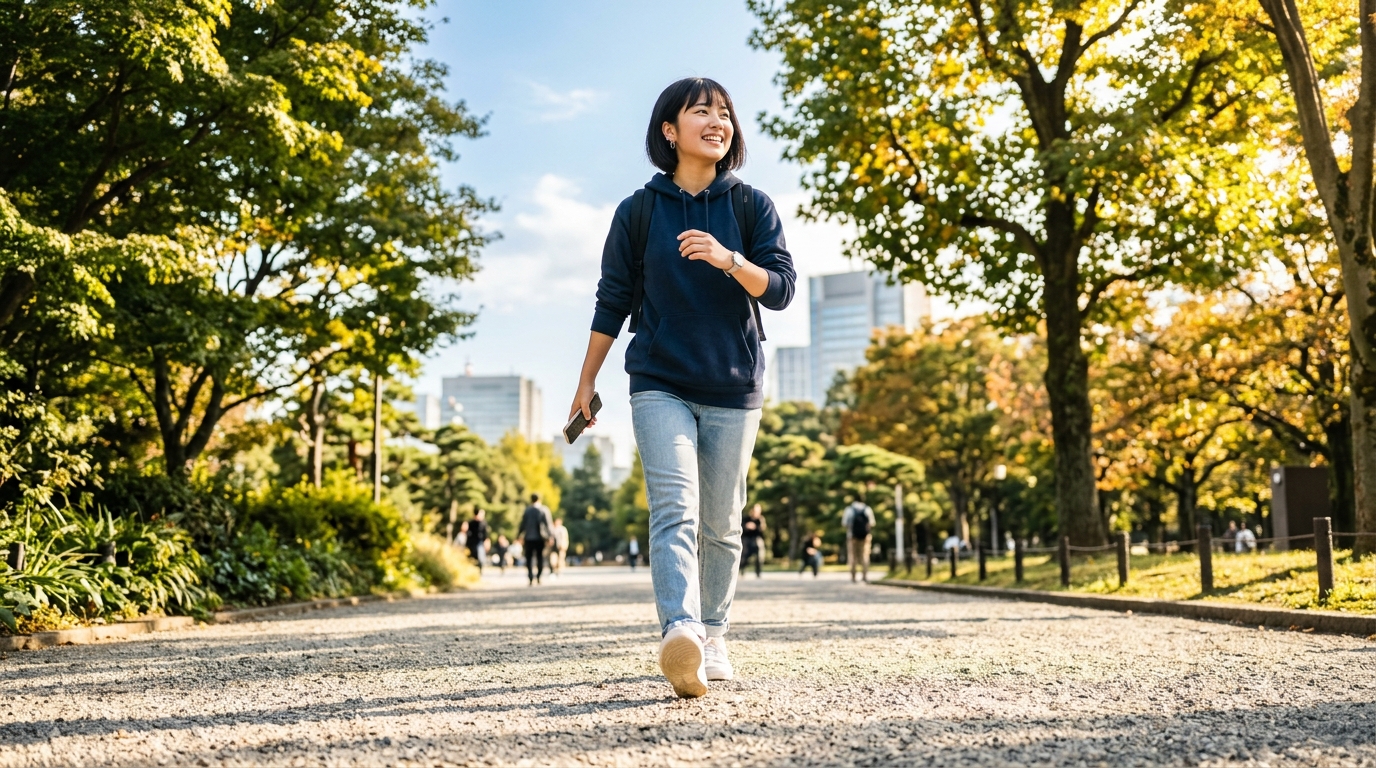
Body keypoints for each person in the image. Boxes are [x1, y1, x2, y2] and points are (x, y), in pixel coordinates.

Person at [568, 77, 796, 699]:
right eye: (702, 111)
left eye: (725, 112)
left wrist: (729, 259)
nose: (718, 121)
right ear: (669, 130)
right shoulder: (638, 211)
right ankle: (681, 631)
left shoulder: (751, 206)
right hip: (658, 379)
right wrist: (587, 380)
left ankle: (714, 634)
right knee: (675, 508)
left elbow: (781, 290)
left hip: (734, 383)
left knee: (722, 522)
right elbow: (612, 299)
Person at [520, 493, 555, 586]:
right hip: (540, 538)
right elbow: (548, 524)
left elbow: (522, 524)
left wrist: (519, 535)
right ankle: (539, 576)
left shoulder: (527, 510)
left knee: (529, 558)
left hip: (528, 537)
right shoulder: (544, 510)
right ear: (539, 499)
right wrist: (551, 536)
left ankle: (530, 577)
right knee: (540, 557)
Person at [842, 499, 876, 583]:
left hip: (852, 536)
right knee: (865, 556)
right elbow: (872, 523)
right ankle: (864, 575)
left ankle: (853, 576)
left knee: (852, 556)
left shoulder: (849, 509)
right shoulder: (867, 509)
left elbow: (844, 523)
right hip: (865, 537)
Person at [740, 504, 767, 578]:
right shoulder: (746, 518)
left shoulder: (760, 519)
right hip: (747, 539)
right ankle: (742, 570)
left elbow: (762, 530)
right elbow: (741, 528)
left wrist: (755, 527)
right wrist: (746, 526)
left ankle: (758, 572)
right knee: (744, 556)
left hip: (756, 539)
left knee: (759, 556)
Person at [467, 510, 488, 575]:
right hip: (472, 543)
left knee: (481, 558)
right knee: (473, 558)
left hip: (480, 543)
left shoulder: (483, 523)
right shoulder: (471, 523)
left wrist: (486, 542)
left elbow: (485, 534)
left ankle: (479, 571)